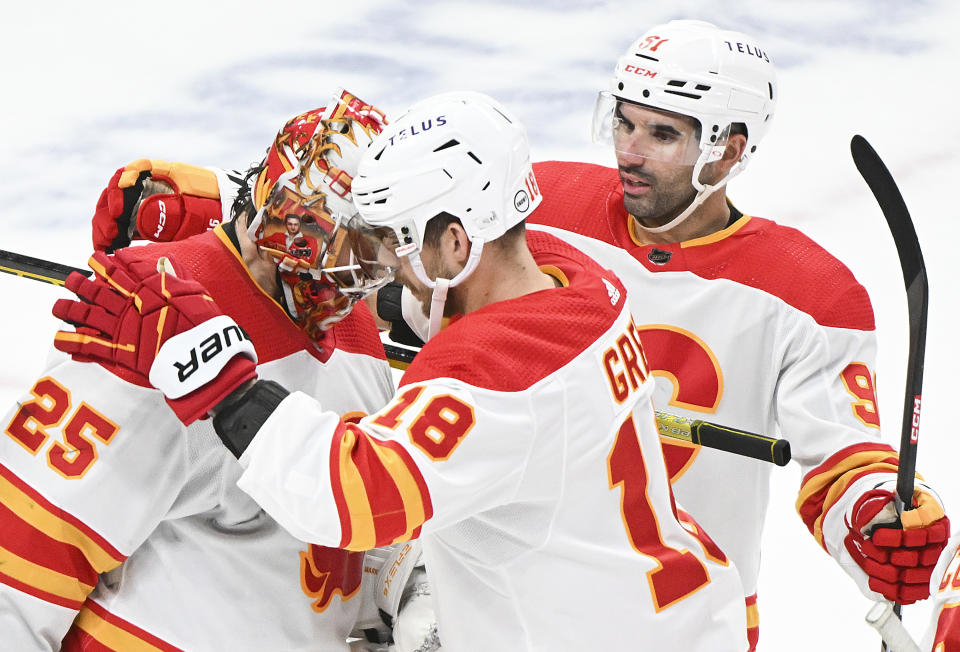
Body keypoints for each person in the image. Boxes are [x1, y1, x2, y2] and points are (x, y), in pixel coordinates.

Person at [53, 91, 751, 651]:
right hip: (681, 617)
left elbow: (342, 493)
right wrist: (255, 227)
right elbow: (436, 300)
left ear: (454, 239)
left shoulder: (488, 380)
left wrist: (208, 363)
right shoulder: (580, 287)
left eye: (394, 239)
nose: (381, 261)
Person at [515, 18, 949, 648]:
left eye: (662, 133)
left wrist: (878, 512)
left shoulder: (808, 292)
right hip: (517, 592)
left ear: (729, 149)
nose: (628, 152)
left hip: (680, 619)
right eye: (624, 122)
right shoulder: (541, 206)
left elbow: (842, 458)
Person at [0, 89, 397, 650]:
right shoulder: (145, 313)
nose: (378, 269)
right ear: (296, 223)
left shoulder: (353, 326)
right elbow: (19, 568)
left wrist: (403, 582)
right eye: (360, 242)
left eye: (388, 240)